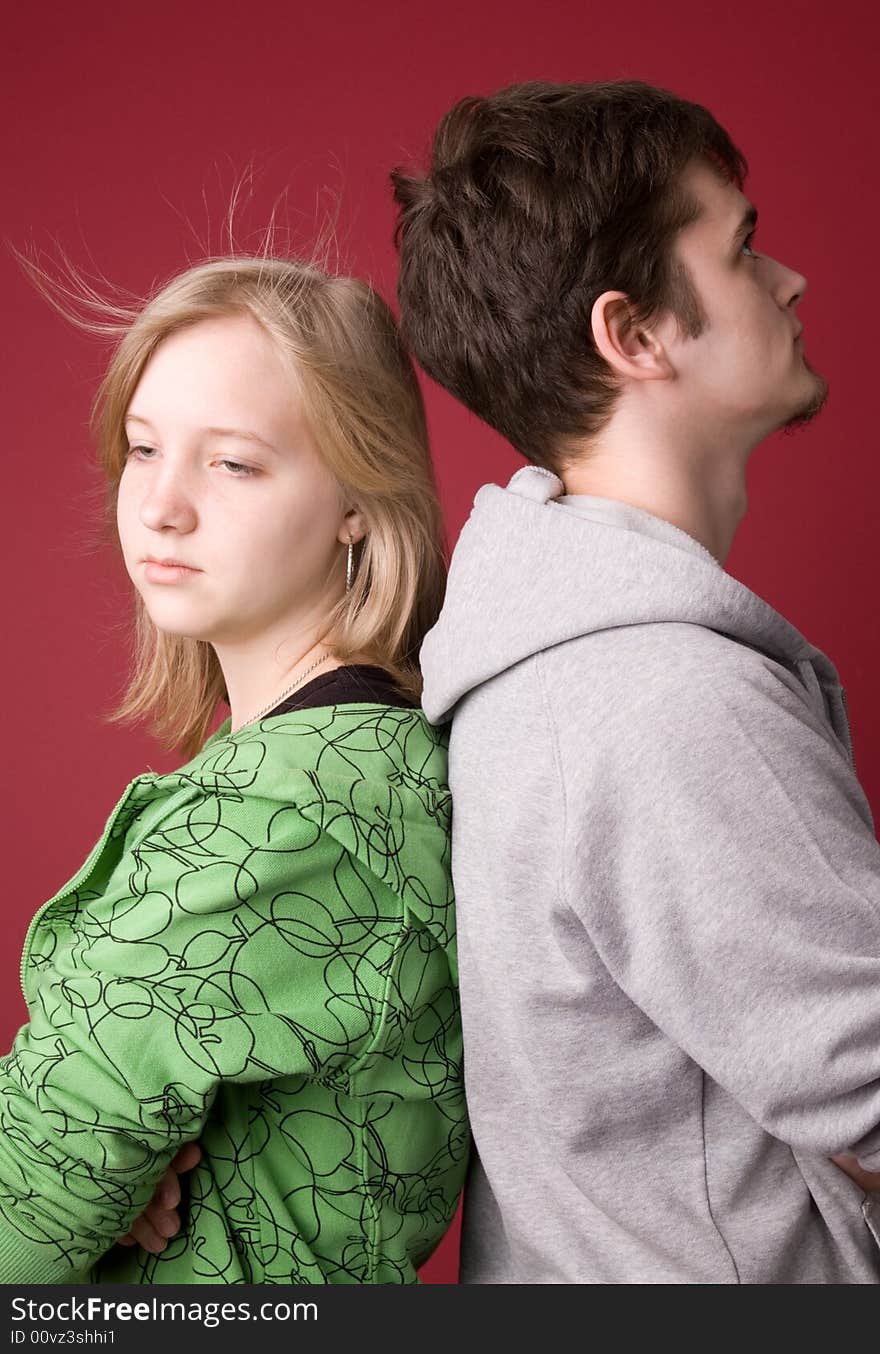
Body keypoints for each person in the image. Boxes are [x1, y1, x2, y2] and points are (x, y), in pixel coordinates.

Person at [390, 80, 880, 1283]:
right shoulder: (657, 699)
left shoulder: (553, 662)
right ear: (637, 333)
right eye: (743, 248)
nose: (788, 282)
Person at [0, 254, 467, 1284]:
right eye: (143, 449)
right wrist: (101, 1182)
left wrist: (74, 1185)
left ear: (358, 496)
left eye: (233, 464)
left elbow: (25, 1196)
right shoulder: (355, 760)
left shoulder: (286, 809)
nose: (159, 505)